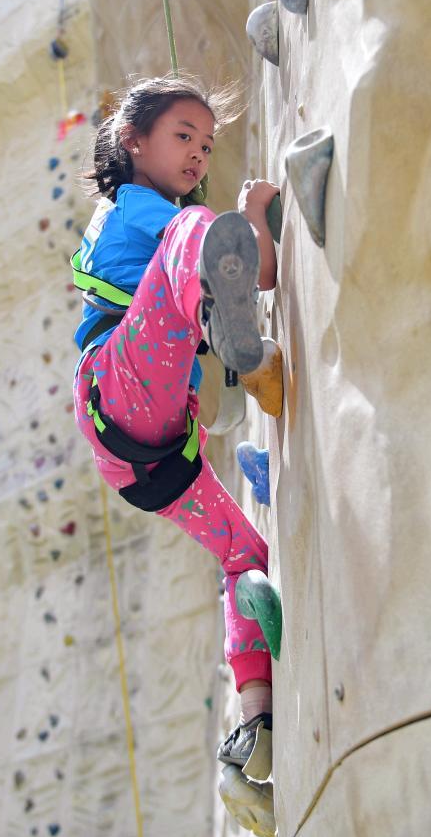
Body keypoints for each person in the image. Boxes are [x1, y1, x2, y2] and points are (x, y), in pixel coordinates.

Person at [71, 73, 279, 772]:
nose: (198, 153)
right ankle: (218, 324)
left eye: (207, 144)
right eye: (183, 135)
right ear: (133, 141)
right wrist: (237, 222)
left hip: (146, 457)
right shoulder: (138, 208)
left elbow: (258, 272)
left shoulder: (162, 223)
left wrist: (250, 219)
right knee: (193, 227)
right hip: (118, 383)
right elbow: (236, 260)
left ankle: (255, 722)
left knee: (246, 555)